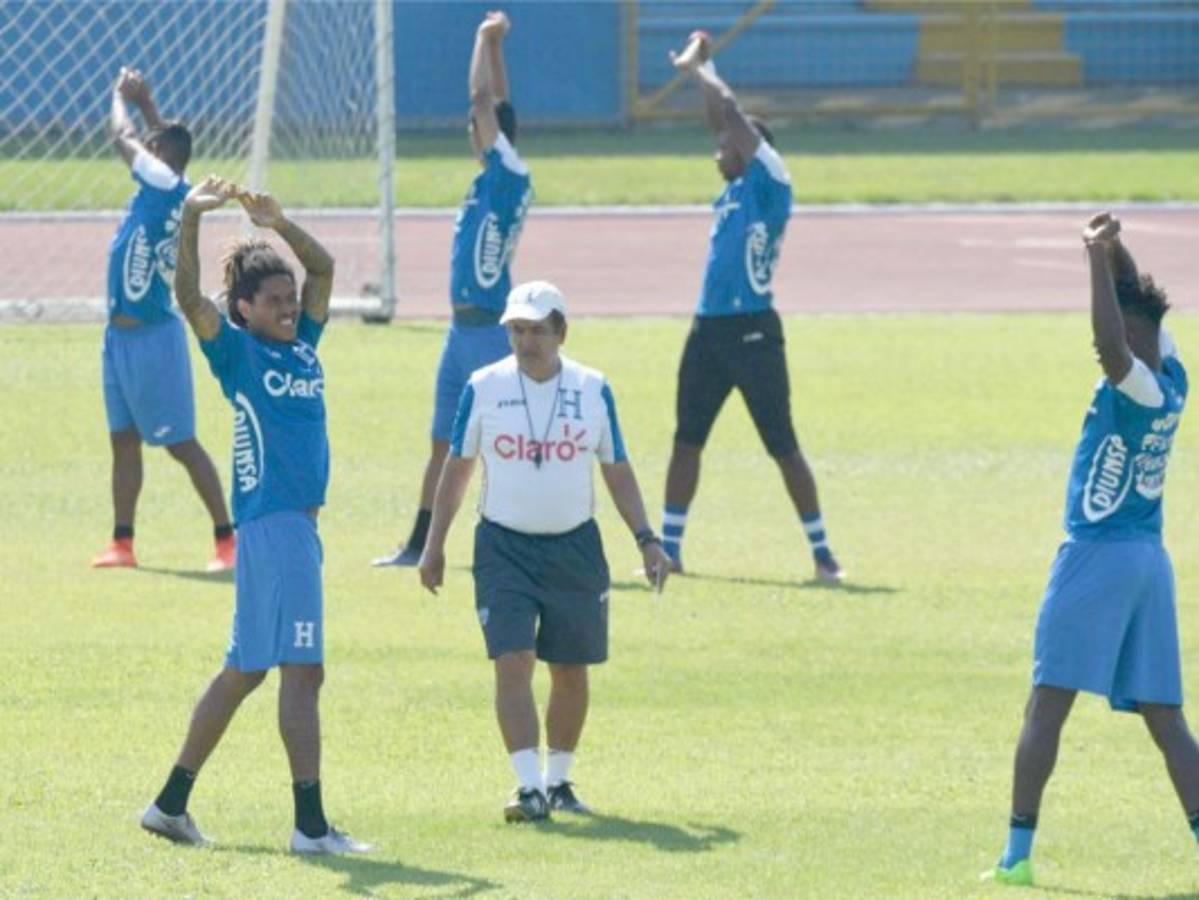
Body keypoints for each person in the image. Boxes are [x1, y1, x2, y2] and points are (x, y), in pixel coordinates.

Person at [139, 176, 371, 855]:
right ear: (243, 308)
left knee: (246, 672)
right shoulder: (235, 352)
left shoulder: (304, 344)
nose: (289, 308)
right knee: (303, 671)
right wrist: (190, 217)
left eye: (290, 300)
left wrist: (279, 223)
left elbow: (323, 270)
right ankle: (310, 828)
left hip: (288, 530)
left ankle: (169, 806)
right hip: (277, 525)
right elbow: (188, 298)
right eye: (274, 301)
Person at [984, 213, 1198, 887]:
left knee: (1045, 705)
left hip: (1096, 557)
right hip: (1148, 563)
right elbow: (1130, 308)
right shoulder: (1173, 373)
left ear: (1133, 337)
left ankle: (1015, 858)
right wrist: (1110, 249)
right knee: (1165, 717)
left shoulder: (1133, 383)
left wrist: (1092, 261)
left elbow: (1109, 344)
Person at [418, 280, 672, 822]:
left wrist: (646, 538)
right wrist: (433, 545)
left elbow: (616, 467)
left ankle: (559, 781)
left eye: (536, 331)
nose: (525, 342)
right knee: (512, 660)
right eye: (516, 330)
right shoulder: (484, 386)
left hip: (575, 546)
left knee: (570, 668)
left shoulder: (592, 388)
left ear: (561, 332)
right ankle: (528, 786)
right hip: (502, 546)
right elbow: (457, 468)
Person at [660, 32, 843, 584]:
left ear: (750, 150)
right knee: (687, 439)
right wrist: (703, 71)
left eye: (725, 147)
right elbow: (721, 118)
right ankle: (670, 550)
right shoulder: (737, 189)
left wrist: (702, 68)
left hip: (753, 333)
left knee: (782, 444)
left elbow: (732, 116)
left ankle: (823, 554)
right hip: (708, 331)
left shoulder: (771, 185)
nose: (716, 151)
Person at [373, 10, 532, 568]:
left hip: (489, 332)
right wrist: (497, 49)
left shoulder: (509, 176)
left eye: (477, 129)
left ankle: (522, 541)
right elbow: (499, 105)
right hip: (459, 332)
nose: (472, 131)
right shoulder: (490, 179)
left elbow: (483, 100)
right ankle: (419, 544)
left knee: (500, 444)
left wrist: (482, 40)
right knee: (443, 442)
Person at [92, 66, 235, 572]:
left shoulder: (162, 182)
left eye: (152, 146)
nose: (143, 149)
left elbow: (122, 136)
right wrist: (148, 102)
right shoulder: (171, 185)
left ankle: (227, 539)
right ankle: (122, 543)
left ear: (159, 156)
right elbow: (165, 141)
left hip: (153, 339)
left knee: (180, 443)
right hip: (119, 338)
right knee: (123, 440)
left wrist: (120, 97)